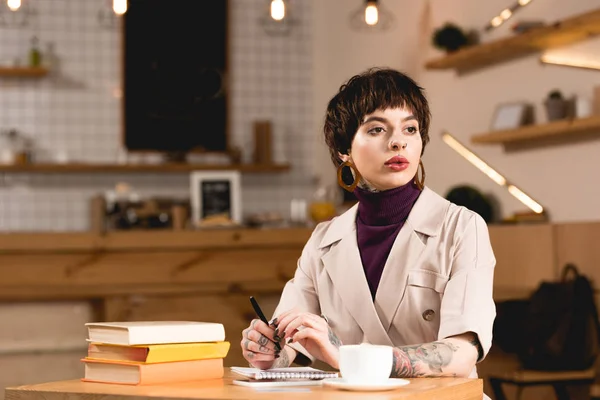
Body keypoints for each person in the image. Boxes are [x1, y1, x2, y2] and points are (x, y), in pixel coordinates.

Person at [240, 68, 496, 380]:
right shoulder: (323, 240)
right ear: (344, 150)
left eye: (410, 129)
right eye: (377, 130)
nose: (398, 142)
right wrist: (269, 350)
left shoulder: (462, 227)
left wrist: (349, 356)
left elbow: (464, 352)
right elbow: (291, 340)